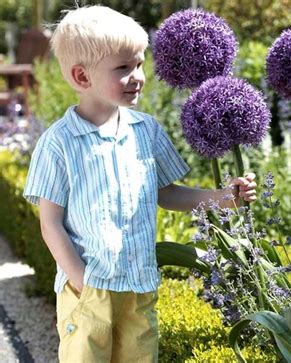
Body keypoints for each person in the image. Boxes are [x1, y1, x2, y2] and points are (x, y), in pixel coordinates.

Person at [22, 5, 257, 362]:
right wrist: (81, 280)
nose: (137, 76)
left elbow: (167, 192)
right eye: (123, 67)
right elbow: (50, 221)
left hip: (139, 283)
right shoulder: (59, 143)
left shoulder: (146, 131)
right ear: (82, 77)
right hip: (89, 287)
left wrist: (225, 198)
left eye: (139, 64)